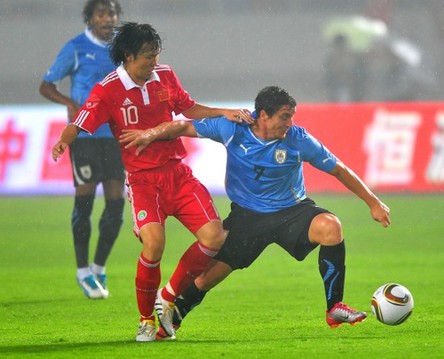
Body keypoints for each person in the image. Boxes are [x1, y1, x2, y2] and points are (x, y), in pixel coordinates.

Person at [119, 85, 391, 339]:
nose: (290, 123)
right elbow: (182, 126)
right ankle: (173, 318)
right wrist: (149, 133)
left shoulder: (298, 139)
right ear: (263, 115)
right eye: (285, 117)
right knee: (205, 278)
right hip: (247, 218)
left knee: (331, 227)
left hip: (291, 212)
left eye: (292, 117)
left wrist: (373, 202)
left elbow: (338, 169)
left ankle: (334, 307)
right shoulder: (233, 129)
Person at [51, 22, 253, 342]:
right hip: (143, 180)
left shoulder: (165, 75)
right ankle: (146, 319)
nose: (153, 63)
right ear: (129, 56)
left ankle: (168, 297)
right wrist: (63, 142)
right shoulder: (108, 89)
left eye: (156, 55)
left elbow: (187, 107)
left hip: (177, 172)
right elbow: (80, 122)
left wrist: (223, 111)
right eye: (147, 57)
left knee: (215, 237)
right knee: (154, 243)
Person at [39, 0, 124, 300]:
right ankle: (81, 271)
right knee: (85, 203)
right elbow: (46, 85)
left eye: (112, 13)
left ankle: (98, 267)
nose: (108, 18)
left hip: (115, 136)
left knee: (116, 206)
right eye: (102, 13)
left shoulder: (122, 49)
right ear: (90, 18)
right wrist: (71, 104)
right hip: (85, 137)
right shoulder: (76, 47)